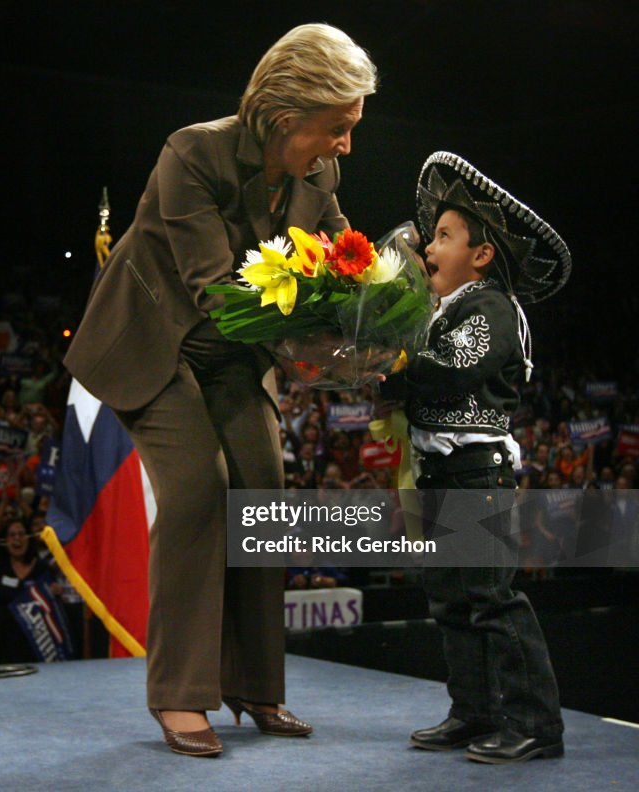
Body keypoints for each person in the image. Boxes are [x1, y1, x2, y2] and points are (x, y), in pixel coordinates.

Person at [62, 23, 376, 756]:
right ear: (285, 114)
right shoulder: (193, 152)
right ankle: (179, 695)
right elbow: (215, 290)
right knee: (201, 489)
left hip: (235, 355)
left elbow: (343, 269)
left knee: (263, 489)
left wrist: (367, 330)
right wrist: (311, 349)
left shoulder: (318, 175)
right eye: (338, 128)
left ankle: (255, 685)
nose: (346, 147)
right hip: (155, 346)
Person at [380, 151, 571, 763]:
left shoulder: (488, 307)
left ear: (482, 256)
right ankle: (474, 711)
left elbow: (449, 372)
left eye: (443, 236)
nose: (428, 246)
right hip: (440, 473)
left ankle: (536, 724)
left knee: (491, 597)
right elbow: (408, 381)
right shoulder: (438, 311)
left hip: (475, 475)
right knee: (451, 599)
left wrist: (395, 360)